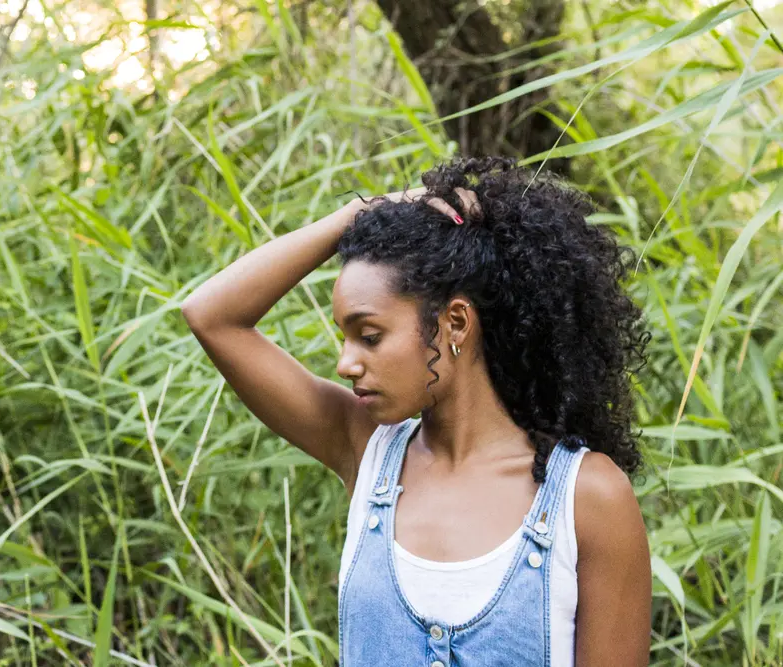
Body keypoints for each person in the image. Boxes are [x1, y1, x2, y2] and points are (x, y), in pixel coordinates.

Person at [181, 156, 652, 666]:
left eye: (369, 336)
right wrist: (362, 214)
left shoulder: (587, 499)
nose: (345, 364)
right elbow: (212, 315)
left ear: (454, 323)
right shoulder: (365, 451)